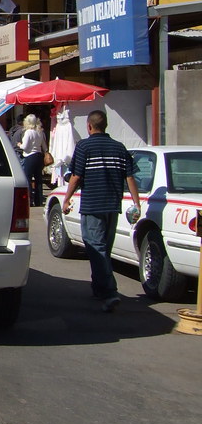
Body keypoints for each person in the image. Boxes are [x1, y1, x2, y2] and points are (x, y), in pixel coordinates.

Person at [61, 110, 141, 313]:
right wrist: (136, 203)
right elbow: (130, 177)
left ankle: (109, 291)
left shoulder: (84, 146)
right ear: (105, 126)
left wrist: (67, 198)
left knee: (96, 248)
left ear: (89, 126)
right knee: (104, 247)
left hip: (93, 205)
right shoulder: (119, 147)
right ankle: (99, 288)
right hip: (113, 206)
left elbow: (76, 176)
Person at [18, 113, 47, 207]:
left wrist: (19, 145)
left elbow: (25, 147)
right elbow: (44, 147)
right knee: (38, 180)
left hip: (30, 156)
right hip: (39, 156)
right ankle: (39, 201)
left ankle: (29, 200)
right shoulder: (40, 132)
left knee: (28, 179)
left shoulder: (28, 132)